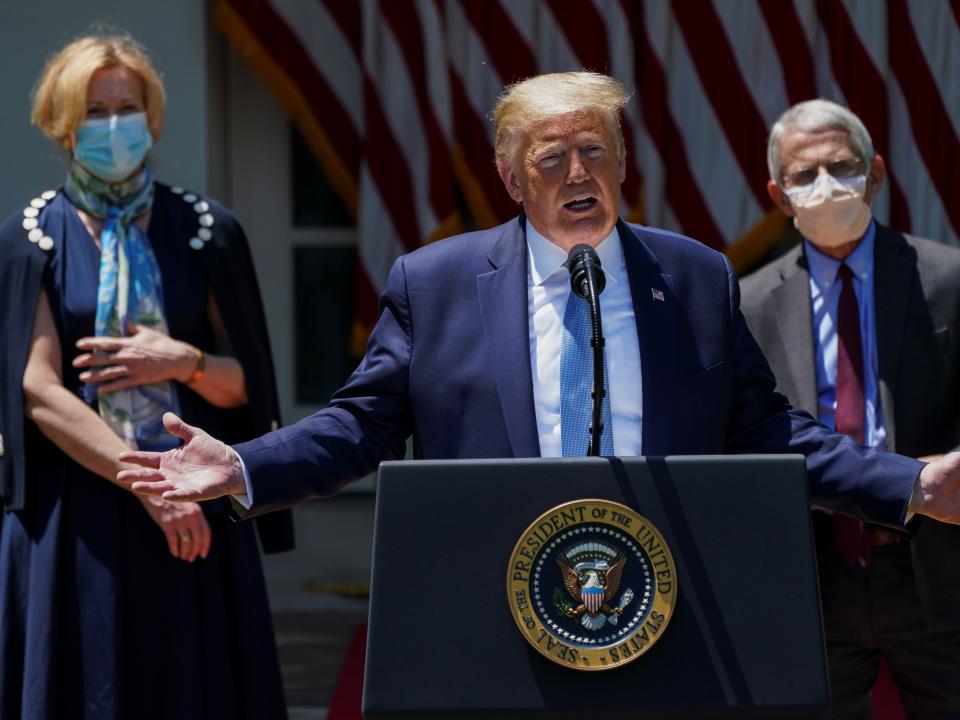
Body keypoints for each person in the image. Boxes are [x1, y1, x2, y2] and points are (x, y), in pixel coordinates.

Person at [120, 72, 960, 547]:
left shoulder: (695, 277)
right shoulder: (436, 283)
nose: (576, 174)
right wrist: (244, 466)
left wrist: (910, 481)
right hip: (498, 589)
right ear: (513, 179)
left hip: (667, 583)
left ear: (623, 163)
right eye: (550, 159)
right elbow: (361, 425)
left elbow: (769, 430)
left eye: (594, 150)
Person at [0, 34, 292, 718]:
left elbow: (248, 386)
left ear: (151, 116)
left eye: (125, 107)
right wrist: (152, 488)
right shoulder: (28, 237)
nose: (112, 125)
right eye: (93, 112)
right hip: (81, 505)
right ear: (61, 125)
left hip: (200, 500)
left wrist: (181, 361)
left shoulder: (207, 229)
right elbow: (38, 391)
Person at [740, 99, 960, 718]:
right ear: (779, 196)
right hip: (812, 576)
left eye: (842, 166)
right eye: (804, 176)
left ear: (877, 173)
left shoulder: (947, 277)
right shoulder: (749, 303)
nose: (826, 186)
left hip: (934, 567)